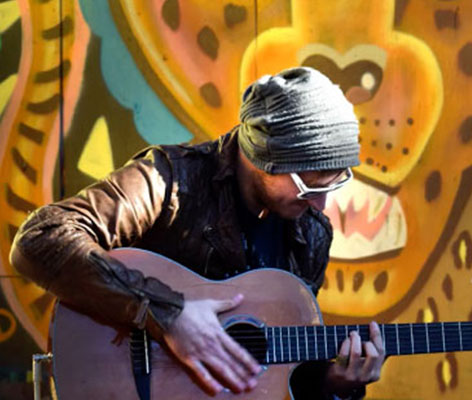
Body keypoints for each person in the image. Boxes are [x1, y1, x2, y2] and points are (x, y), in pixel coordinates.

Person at [10, 67, 385, 399]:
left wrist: (332, 384)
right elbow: (40, 239)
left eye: (332, 185)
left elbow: (275, 375)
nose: (320, 205)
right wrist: (165, 314)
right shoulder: (168, 181)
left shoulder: (311, 235)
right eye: (309, 186)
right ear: (263, 158)